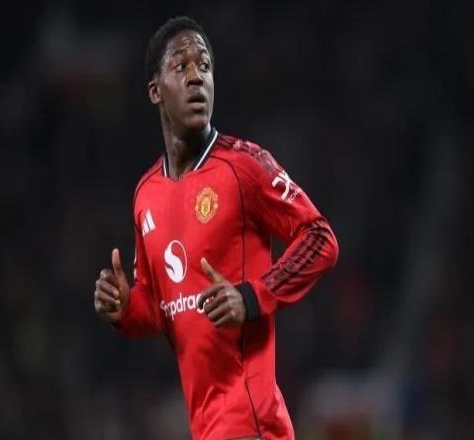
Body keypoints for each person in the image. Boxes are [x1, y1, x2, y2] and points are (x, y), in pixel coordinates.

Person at [94, 16, 339, 440]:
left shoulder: (244, 166)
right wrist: (125, 309)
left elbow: (321, 239)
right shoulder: (146, 195)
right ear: (155, 90)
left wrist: (253, 295)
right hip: (205, 427)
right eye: (181, 66)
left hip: (253, 425)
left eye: (204, 66)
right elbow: (161, 306)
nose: (196, 77)